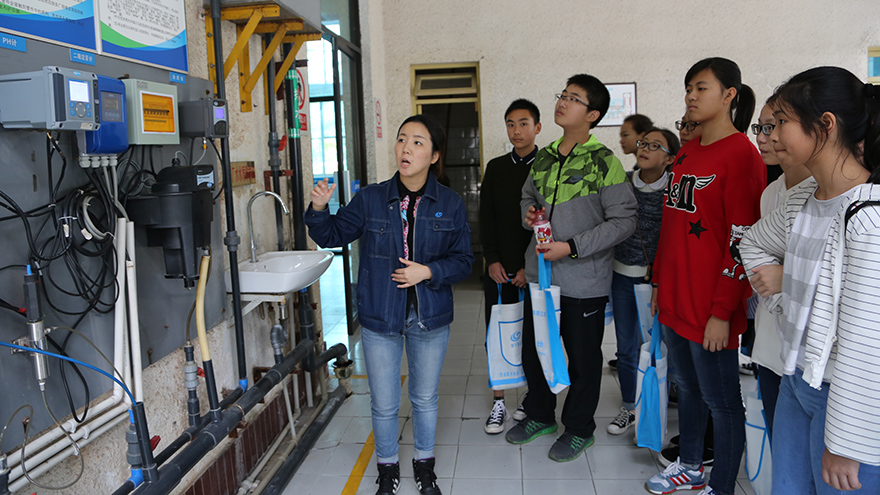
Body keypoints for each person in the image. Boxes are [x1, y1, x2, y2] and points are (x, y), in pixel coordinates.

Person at [304, 114, 474, 495]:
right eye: (401, 139)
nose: (406, 148)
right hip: (381, 315)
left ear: (434, 156)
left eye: (417, 142)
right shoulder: (371, 199)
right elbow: (332, 235)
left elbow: (464, 260)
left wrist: (427, 271)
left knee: (424, 398)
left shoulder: (450, 203)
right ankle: (387, 467)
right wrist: (318, 209)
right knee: (383, 402)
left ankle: (424, 465)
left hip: (429, 317)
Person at [741, 66, 880, 495]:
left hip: (848, 399)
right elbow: (753, 244)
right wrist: (789, 301)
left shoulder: (868, 217)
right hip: (798, 378)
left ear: (826, 124)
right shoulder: (802, 198)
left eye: (782, 121)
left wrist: (845, 443)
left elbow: (866, 342)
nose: (771, 133)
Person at [646, 57, 764, 495]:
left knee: (723, 402)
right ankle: (691, 466)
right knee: (688, 389)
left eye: (701, 88)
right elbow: (670, 225)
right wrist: (659, 282)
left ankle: (723, 485)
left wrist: (722, 312)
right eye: (688, 88)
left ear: (729, 95)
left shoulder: (742, 156)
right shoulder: (688, 150)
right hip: (675, 298)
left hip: (711, 306)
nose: (691, 96)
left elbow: (742, 242)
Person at [504, 73, 637, 462]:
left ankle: (579, 428)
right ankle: (540, 415)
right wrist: (530, 214)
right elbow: (527, 197)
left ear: (593, 114)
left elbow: (624, 222)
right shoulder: (544, 157)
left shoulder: (604, 162)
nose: (562, 102)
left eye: (574, 98)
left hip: (583, 281)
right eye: (562, 94)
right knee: (536, 352)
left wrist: (572, 247)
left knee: (582, 360)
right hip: (540, 277)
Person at [746, 101, 813, 439]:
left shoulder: (829, 193)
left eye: (775, 125)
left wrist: (784, 277)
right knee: (780, 440)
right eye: (760, 127)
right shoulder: (771, 192)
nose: (764, 137)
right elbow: (759, 263)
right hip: (771, 342)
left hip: (809, 351)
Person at [607, 127, 679, 436]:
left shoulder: (676, 190)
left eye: (655, 145)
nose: (645, 148)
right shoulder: (622, 183)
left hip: (658, 283)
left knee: (662, 345)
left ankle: (661, 398)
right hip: (621, 278)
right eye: (643, 143)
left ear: (669, 159)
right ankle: (629, 406)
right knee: (626, 347)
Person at [480, 99, 541, 433]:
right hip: (499, 270)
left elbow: (547, 223)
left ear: (537, 127)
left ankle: (533, 398)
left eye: (523, 123)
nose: (516, 130)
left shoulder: (546, 167)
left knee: (533, 335)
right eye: (510, 124)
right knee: (497, 334)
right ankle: (499, 402)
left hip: (534, 270)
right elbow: (486, 217)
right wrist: (491, 259)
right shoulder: (496, 167)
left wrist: (528, 268)